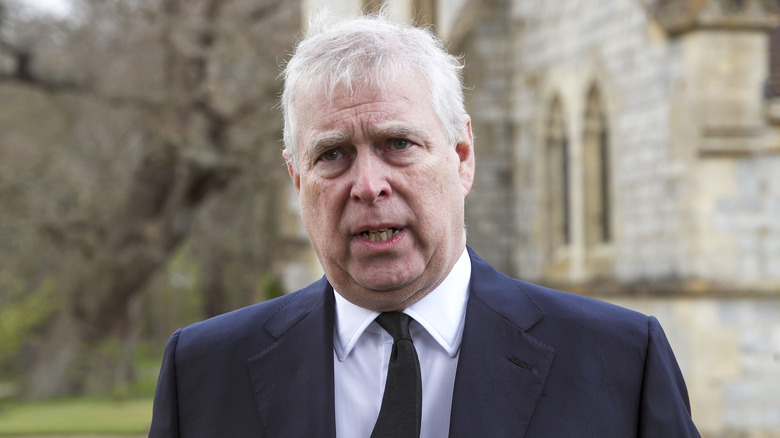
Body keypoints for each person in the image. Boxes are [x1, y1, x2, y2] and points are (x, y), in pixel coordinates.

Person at [149, 12, 700, 438]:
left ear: (462, 156)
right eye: (333, 154)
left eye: (398, 144)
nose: (368, 184)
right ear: (298, 180)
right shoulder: (200, 374)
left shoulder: (622, 361)